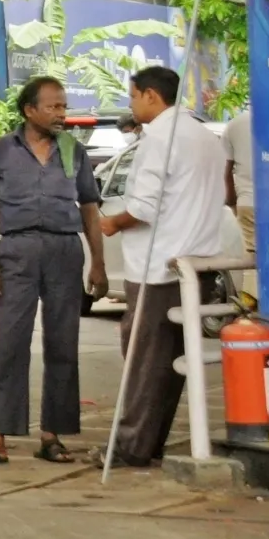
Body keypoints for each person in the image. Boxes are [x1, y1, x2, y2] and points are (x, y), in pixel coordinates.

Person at [0, 77, 109, 468]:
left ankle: (51, 436)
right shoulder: (0, 152)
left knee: (63, 345)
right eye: (53, 107)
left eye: (63, 106)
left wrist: (99, 263)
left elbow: (90, 208)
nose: (61, 114)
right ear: (29, 110)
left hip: (64, 251)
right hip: (18, 251)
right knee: (9, 344)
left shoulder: (73, 150)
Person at [97, 65, 229, 467]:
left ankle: (132, 446)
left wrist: (111, 222)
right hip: (195, 264)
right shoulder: (206, 138)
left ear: (152, 96)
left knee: (144, 361)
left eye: (133, 96)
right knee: (169, 364)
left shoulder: (159, 138)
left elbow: (142, 207)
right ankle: (146, 443)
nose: (131, 104)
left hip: (158, 268)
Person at [224, 105, 258, 300]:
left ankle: (252, 308)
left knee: (253, 258)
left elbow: (225, 169)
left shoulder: (235, 125)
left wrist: (232, 201)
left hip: (248, 202)